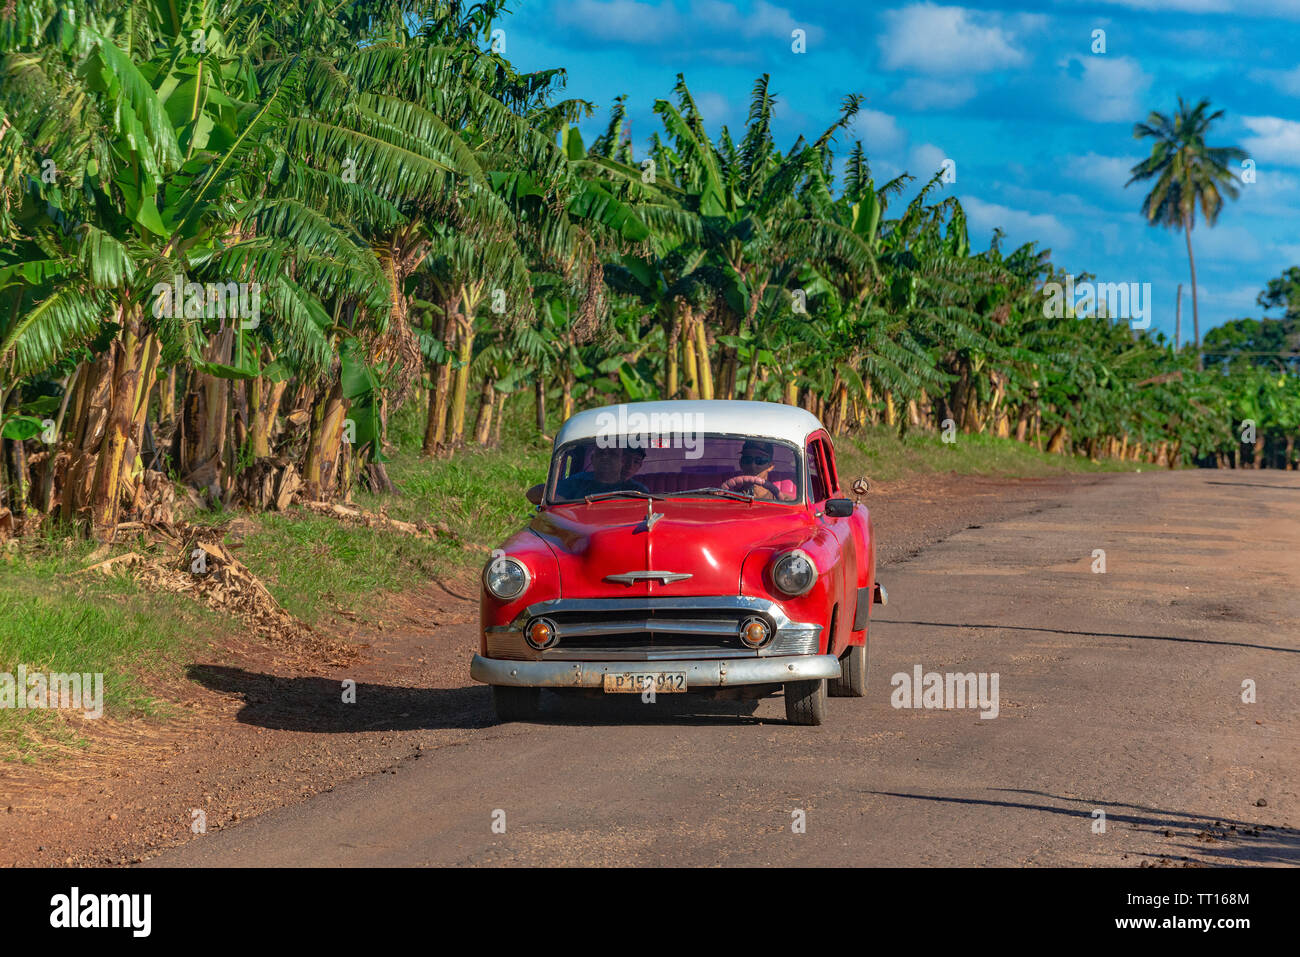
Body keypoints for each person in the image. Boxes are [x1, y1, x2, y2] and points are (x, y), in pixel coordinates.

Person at [555, 444, 650, 500]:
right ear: (593, 459)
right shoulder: (578, 482)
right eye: (601, 454)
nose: (629, 466)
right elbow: (554, 497)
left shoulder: (638, 491)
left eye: (636, 462)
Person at [730, 440, 797, 500]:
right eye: (747, 460)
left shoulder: (785, 501)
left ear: (770, 466)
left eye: (760, 460)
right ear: (741, 463)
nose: (753, 466)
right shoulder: (728, 498)